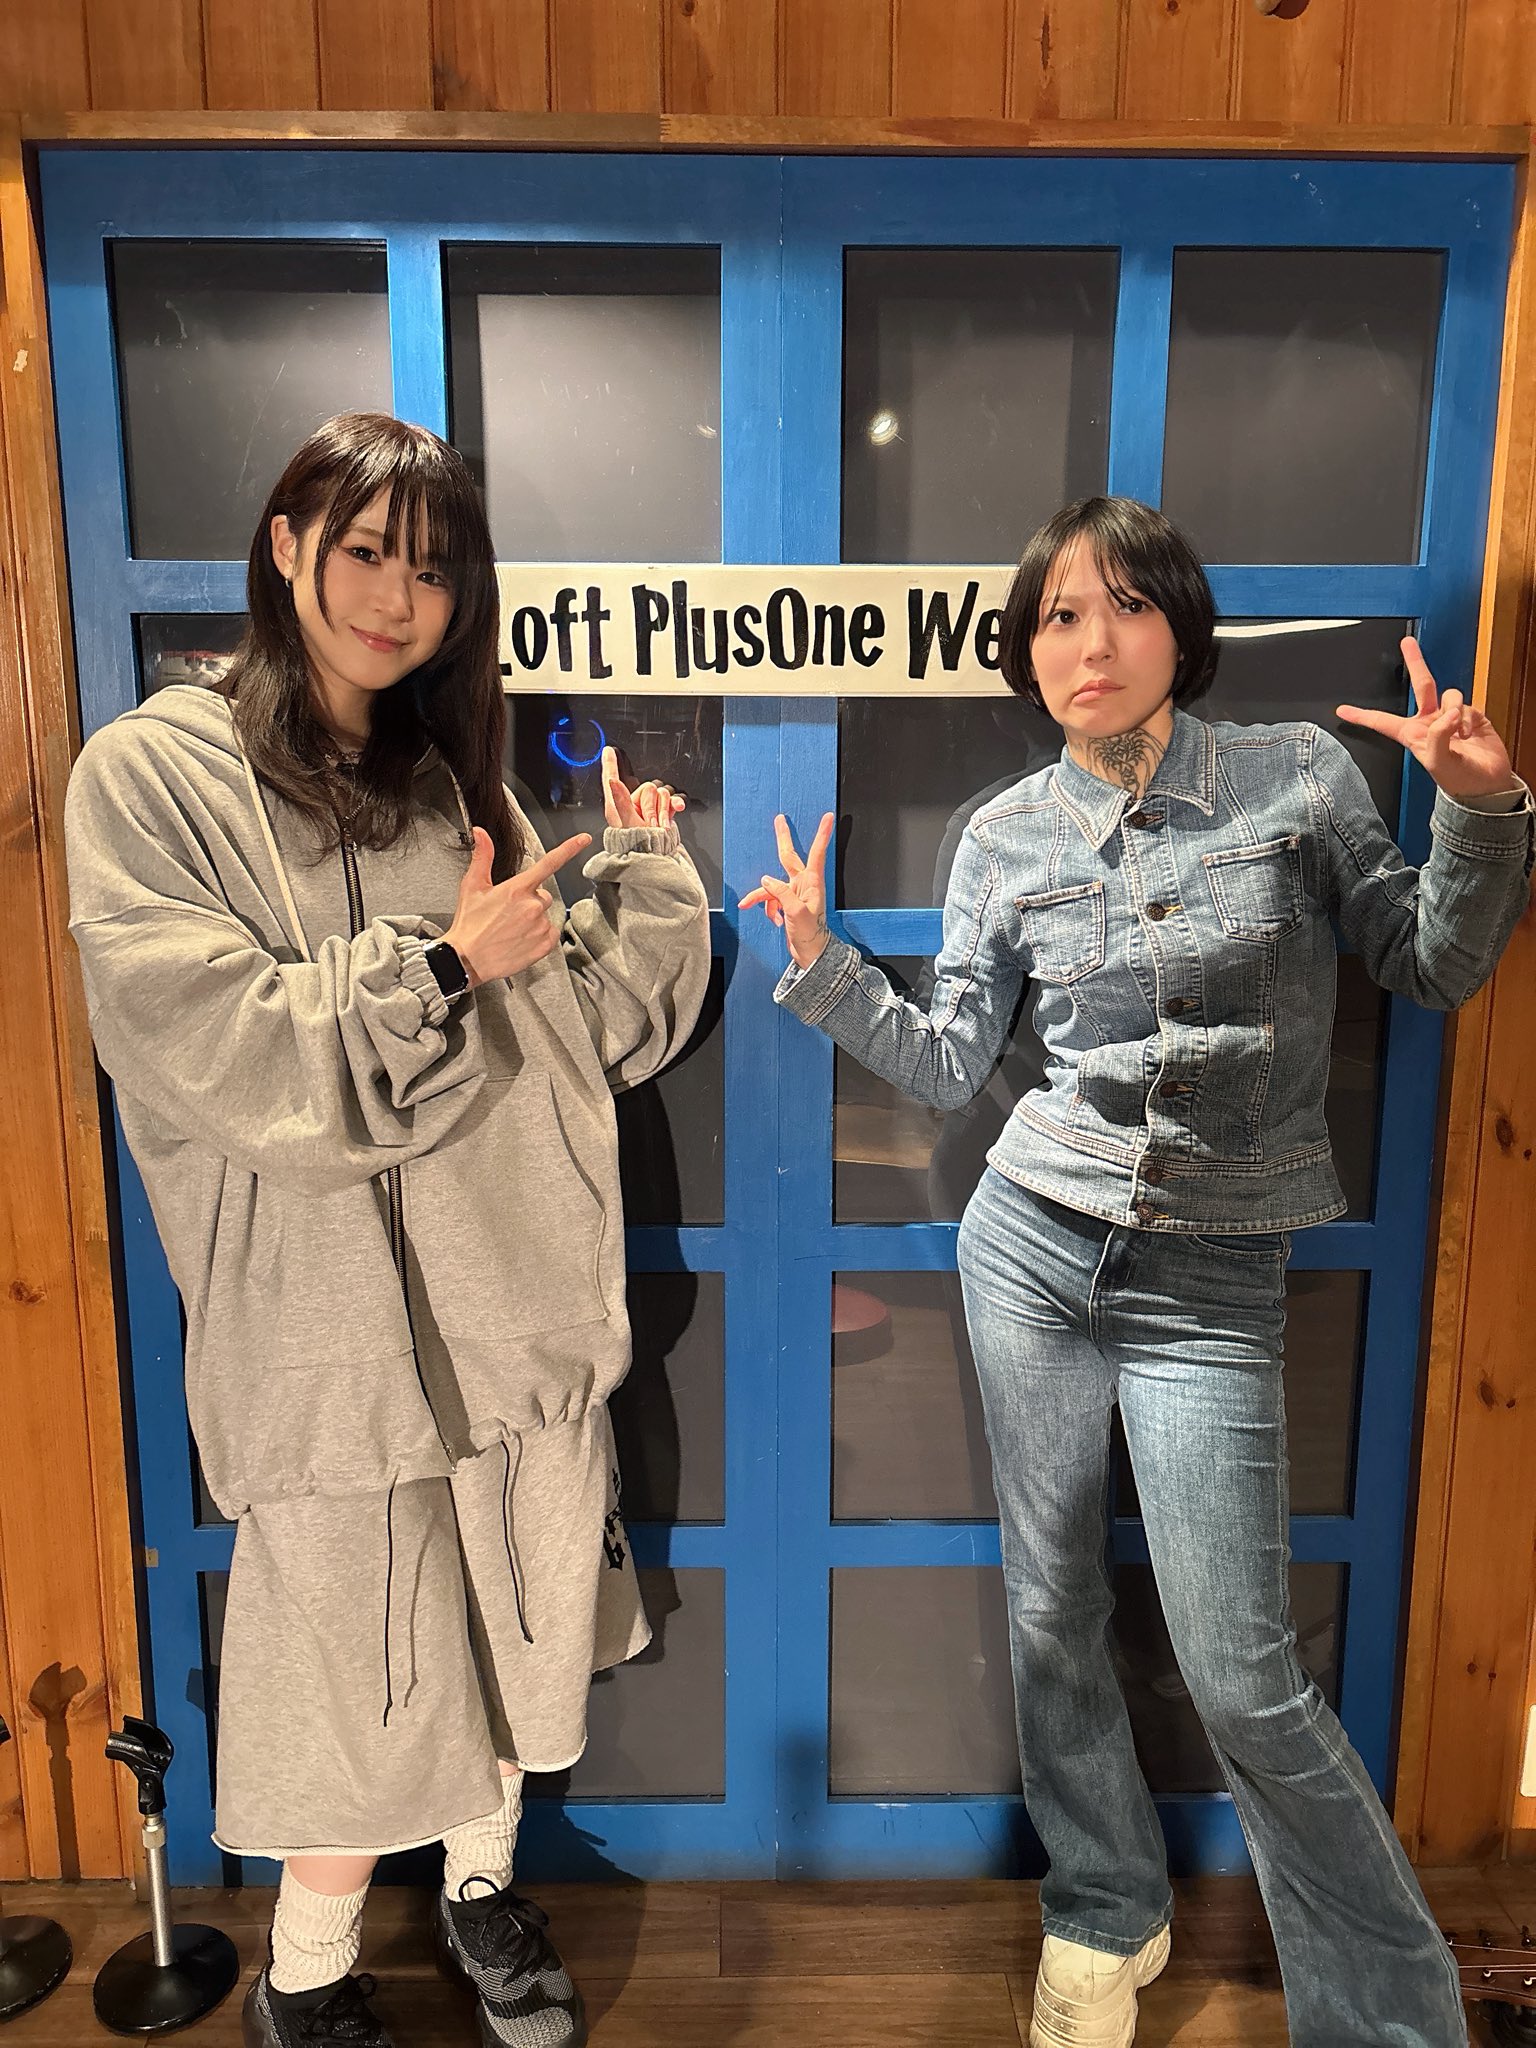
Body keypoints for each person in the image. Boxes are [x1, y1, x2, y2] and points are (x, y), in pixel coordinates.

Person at [743, 495, 1533, 2048]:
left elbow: (1429, 961)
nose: (1088, 641)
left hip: (1213, 1281)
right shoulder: (1001, 835)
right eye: (1056, 615)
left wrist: (1483, 810)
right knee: (1050, 1607)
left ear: (1182, 629)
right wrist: (825, 965)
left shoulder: (1296, 778)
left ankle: (1390, 2020)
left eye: (1123, 605)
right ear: (1025, 652)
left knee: (1242, 1677)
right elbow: (953, 1058)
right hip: (1029, 1250)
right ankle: (1105, 1908)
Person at [65, 411, 711, 2048]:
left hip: (508, 1303)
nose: (394, 599)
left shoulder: (449, 778)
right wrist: (438, 970)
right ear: (287, 547)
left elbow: (577, 1028)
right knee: (354, 1679)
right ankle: (305, 1978)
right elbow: (203, 1039)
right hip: (318, 1337)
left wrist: (647, 874)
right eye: (363, 552)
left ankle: (483, 1894)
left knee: (509, 1631)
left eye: (430, 572)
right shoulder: (151, 775)